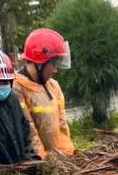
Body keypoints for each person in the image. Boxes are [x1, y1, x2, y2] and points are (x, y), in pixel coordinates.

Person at [14, 28, 75, 158]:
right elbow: (30, 132)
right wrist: (44, 162)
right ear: (40, 63)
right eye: (53, 64)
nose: (55, 70)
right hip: (38, 165)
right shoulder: (17, 88)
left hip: (59, 160)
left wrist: (68, 154)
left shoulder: (54, 86)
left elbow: (62, 125)